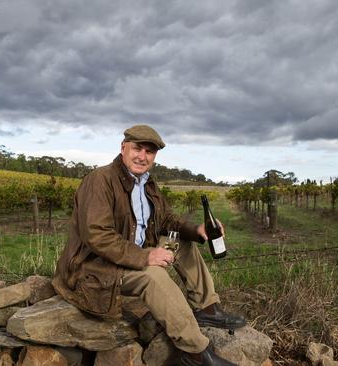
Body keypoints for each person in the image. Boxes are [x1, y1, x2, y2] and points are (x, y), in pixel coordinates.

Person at [53, 125, 245, 366]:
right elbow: (97, 236)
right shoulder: (100, 181)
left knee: (182, 242)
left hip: (127, 257)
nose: (142, 156)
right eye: (137, 148)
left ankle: (206, 308)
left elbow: (166, 220)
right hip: (98, 268)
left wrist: (196, 230)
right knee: (152, 276)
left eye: (150, 152)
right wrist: (145, 257)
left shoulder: (146, 183)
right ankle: (195, 351)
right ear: (123, 148)